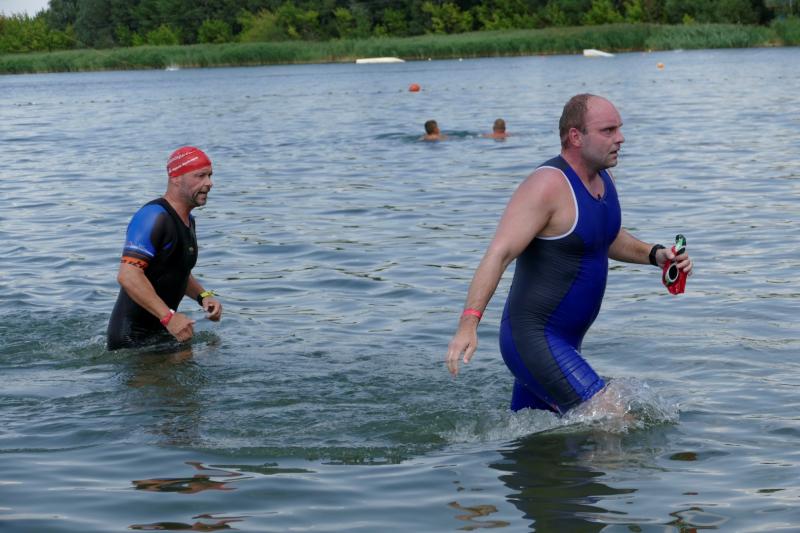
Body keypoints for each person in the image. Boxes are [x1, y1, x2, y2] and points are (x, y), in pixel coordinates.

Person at [445, 94, 693, 414]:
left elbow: (602, 236)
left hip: (566, 343)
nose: (620, 138)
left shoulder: (603, 179)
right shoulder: (547, 185)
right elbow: (499, 253)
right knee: (612, 418)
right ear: (576, 136)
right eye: (608, 130)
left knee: (540, 438)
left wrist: (656, 254)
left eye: (619, 128)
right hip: (533, 339)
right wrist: (469, 323)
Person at [107, 146, 223, 350]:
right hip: (132, 340)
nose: (209, 183)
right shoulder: (153, 216)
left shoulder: (188, 220)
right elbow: (128, 275)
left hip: (163, 332)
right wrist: (169, 317)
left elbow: (175, 270)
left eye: (210, 175)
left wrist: (203, 296)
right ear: (176, 178)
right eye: (200, 176)